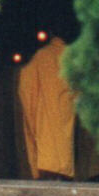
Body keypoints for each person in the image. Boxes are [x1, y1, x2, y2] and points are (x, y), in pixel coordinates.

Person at [17, 35, 76, 179]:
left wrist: (31, 112)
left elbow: (25, 88)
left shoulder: (40, 56)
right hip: (65, 112)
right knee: (63, 150)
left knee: (47, 152)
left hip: (44, 116)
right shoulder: (73, 58)